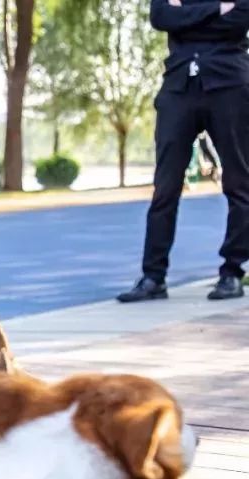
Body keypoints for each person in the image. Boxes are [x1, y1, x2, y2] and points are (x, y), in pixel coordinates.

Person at [118, 0, 249, 303]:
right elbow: (161, 17)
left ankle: (232, 272)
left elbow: (239, 21)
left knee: (239, 185)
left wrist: (186, 17)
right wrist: (217, 9)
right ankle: (153, 277)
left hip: (229, 86)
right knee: (165, 188)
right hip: (178, 88)